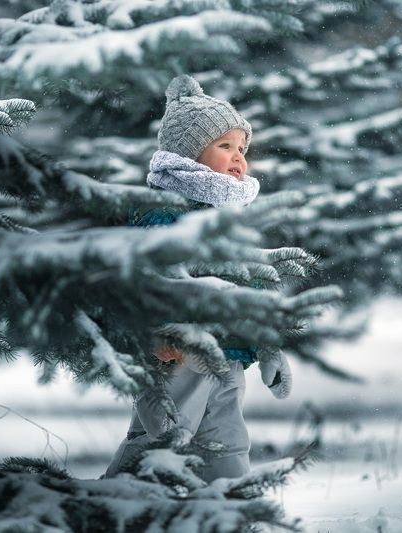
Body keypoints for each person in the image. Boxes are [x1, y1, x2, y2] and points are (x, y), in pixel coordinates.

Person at [104, 75, 292, 482]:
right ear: (189, 153)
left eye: (242, 148)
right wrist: (159, 331)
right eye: (225, 147)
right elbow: (151, 277)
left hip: (228, 356)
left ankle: (231, 506)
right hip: (180, 352)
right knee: (163, 438)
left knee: (227, 443)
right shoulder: (165, 209)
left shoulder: (227, 216)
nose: (238, 158)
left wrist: (268, 346)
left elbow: (250, 283)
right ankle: (114, 504)